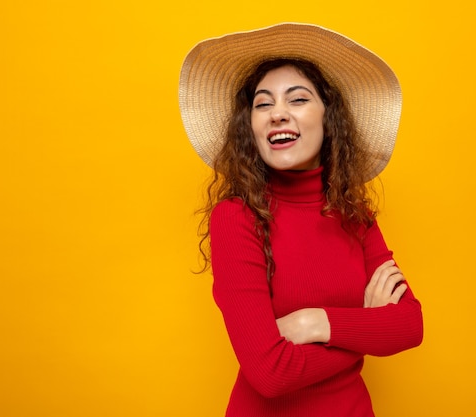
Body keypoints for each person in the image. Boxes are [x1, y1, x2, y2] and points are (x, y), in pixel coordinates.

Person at [179, 23, 423, 417]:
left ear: (329, 120)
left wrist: (316, 323)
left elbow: (410, 325)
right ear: (251, 128)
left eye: (297, 100)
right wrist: (365, 328)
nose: (277, 114)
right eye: (262, 104)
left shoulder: (355, 215)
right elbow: (269, 373)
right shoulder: (236, 218)